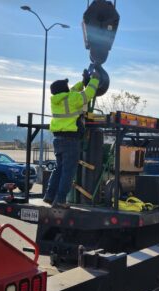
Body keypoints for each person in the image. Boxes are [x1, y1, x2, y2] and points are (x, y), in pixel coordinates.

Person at [43, 70, 99, 208]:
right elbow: (88, 95)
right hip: (70, 140)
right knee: (68, 172)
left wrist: (83, 81)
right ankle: (61, 199)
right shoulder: (72, 98)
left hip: (57, 139)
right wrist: (94, 80)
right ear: (64, 89)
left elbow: (73, 91)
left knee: (58, 169)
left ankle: (49, 196)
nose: (69, 88)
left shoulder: (56, 101)